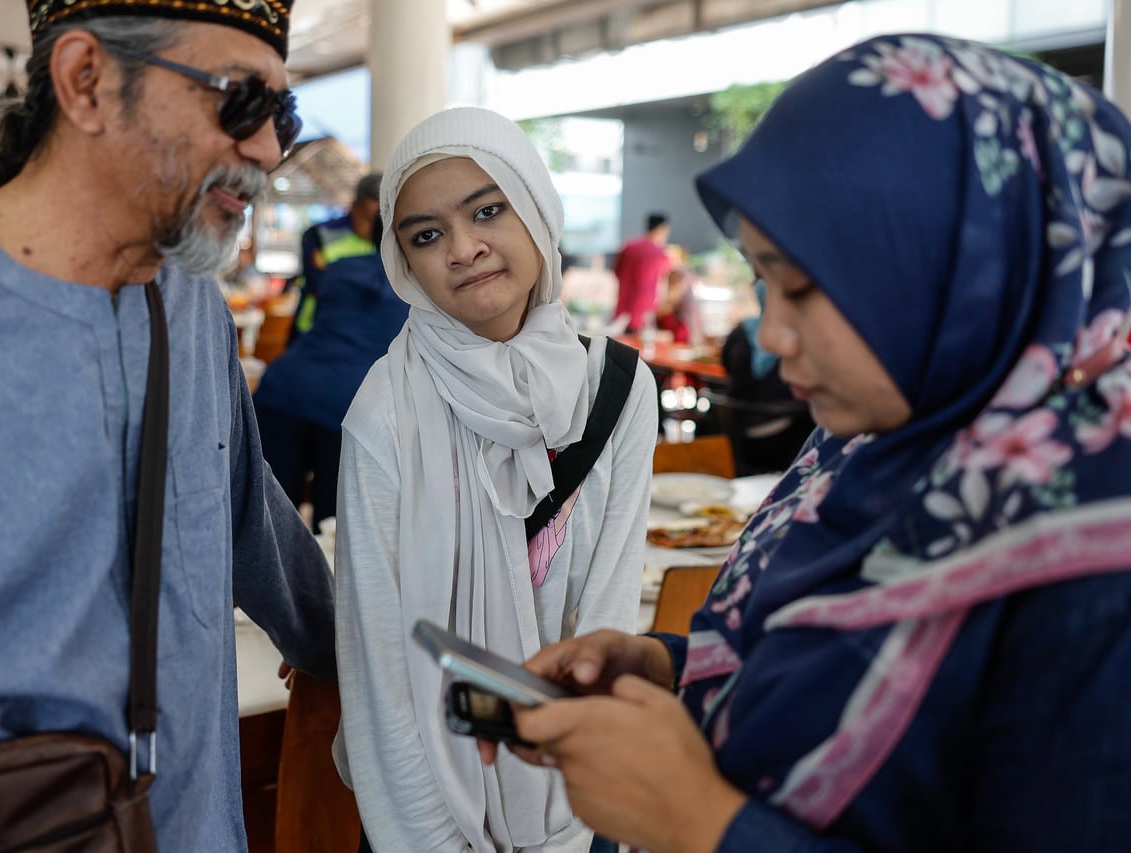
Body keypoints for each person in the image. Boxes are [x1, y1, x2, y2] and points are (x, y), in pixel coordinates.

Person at [484, 33, 1131, 852]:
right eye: (761, 279)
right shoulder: (871, 448)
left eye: (802, 285)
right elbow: (825, 657)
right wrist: (669, 666)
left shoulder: (1098, 568)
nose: (773, 332)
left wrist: (698, 822)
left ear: (955, 269)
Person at [0, 2, 335, 849]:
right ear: (86, 82)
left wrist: (363, 652)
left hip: (190, 823)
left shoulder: (190, 309)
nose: (266, 150)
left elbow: (245, 519)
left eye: (282, 115)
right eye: (239, 102)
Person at [333, 106, 659, 852]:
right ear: (403, 263)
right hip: (422, 810)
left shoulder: (618, 384)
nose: (464, 249)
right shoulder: (384, 415)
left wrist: (577, 823)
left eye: (487, 210)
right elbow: (383, 666)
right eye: (426, 234)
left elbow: (607, 615)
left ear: (537, 208)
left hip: (579, 798)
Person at [252, 214, 407, 529]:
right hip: (349, 406)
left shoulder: (339, 269)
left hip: (284, 389)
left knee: (270, 519)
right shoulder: (419, 286)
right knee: (333, 527)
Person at [718, 278, 815, 473]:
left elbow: (725, 365)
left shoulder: (742, 330)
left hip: (734, 428)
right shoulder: (795, 336)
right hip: (782, 435)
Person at [288, 170, 383, 344]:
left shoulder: (391, 241)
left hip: (368, 335)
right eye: (376, 199)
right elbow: (317, 283)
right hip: (314, 330)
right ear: (356, 204)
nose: (382, 206)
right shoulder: (320, 234)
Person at [612, 211, 672, 333]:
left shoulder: (628, 247)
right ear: (663, 229)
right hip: (645, 316)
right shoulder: (661, 254)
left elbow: (616, 272)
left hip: (622, 312)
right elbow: (664, 285)